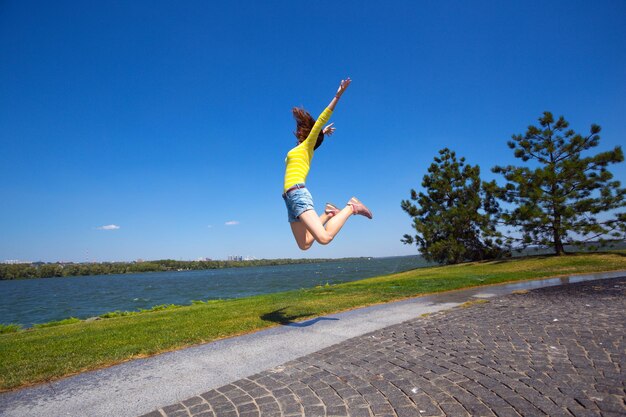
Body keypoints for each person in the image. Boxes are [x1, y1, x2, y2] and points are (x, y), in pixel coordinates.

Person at [283, 78, 372, 250]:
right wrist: (322, 133)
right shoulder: (303, 148)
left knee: (324, 238)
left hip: (298, 193)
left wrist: (338, 95)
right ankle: (329, 213)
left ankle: (351, 207)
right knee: (305, 244)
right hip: (289, 199)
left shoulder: (307, 147)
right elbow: (315, 134)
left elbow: (322, 118)